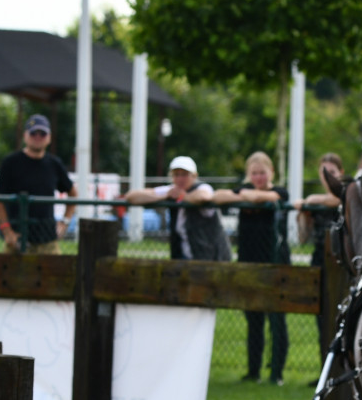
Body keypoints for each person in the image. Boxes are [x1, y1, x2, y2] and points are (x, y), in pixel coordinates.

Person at [214, 151, 290, 385]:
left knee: (277, 318)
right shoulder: (242, 189)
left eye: (262, 173)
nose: (258, 177)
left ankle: (276, 372)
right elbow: (219, 196)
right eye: (254, 173)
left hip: (275, 260)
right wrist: (245, 194)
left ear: (271, 173)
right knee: (253, 316)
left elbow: (272, 198)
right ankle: (253, 370)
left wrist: (246, 195)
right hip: (248, 259)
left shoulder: (280, 192)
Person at [0, 114, 77, 254]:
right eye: (33, 133)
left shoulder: (54, 164)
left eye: (42, 133)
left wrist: (65, 222)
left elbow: (73, 194)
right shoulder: (11, 162)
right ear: (25, 136)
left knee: (57, 274)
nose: (38, 137)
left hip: (47, 239)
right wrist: (7, 231)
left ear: (49, 138)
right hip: (18, 239)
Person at [125, 156, 232, 262]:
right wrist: (164, 196)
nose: (180, 179)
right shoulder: (172, 190)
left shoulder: (202, 187)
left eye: (184, 174)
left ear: (194, 176)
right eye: (176, 174)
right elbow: (131, 196)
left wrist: (183, 196)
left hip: (211, 257)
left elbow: (204, 196)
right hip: (183, 257)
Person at [292, 153, 344, 369]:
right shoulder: (314, 202)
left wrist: (311, 200)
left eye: (332, 172)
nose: (328, 176)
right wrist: (303, 214)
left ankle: (341, 367)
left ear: (340, 173)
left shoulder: (344, 193)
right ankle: (325, 368)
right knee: (321, 317)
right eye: (324, 172)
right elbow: (303, 237)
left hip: (341, 263)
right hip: (319, 259)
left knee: (339, 317)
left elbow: (336, 199)